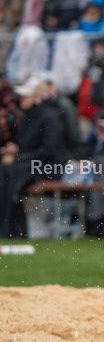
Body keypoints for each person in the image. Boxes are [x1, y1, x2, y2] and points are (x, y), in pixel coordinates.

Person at [0, 78, 68, 237]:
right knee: (5, 170)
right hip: (29, 163)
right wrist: (14, 150)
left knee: (8, 172)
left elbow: (51, 151)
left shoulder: (51, 116)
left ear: (37, 97)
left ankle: (11, 229)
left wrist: (17, 157)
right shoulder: (27, 117)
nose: (21, 98)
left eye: (26, 95)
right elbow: (26, 144)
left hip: (48, 167)